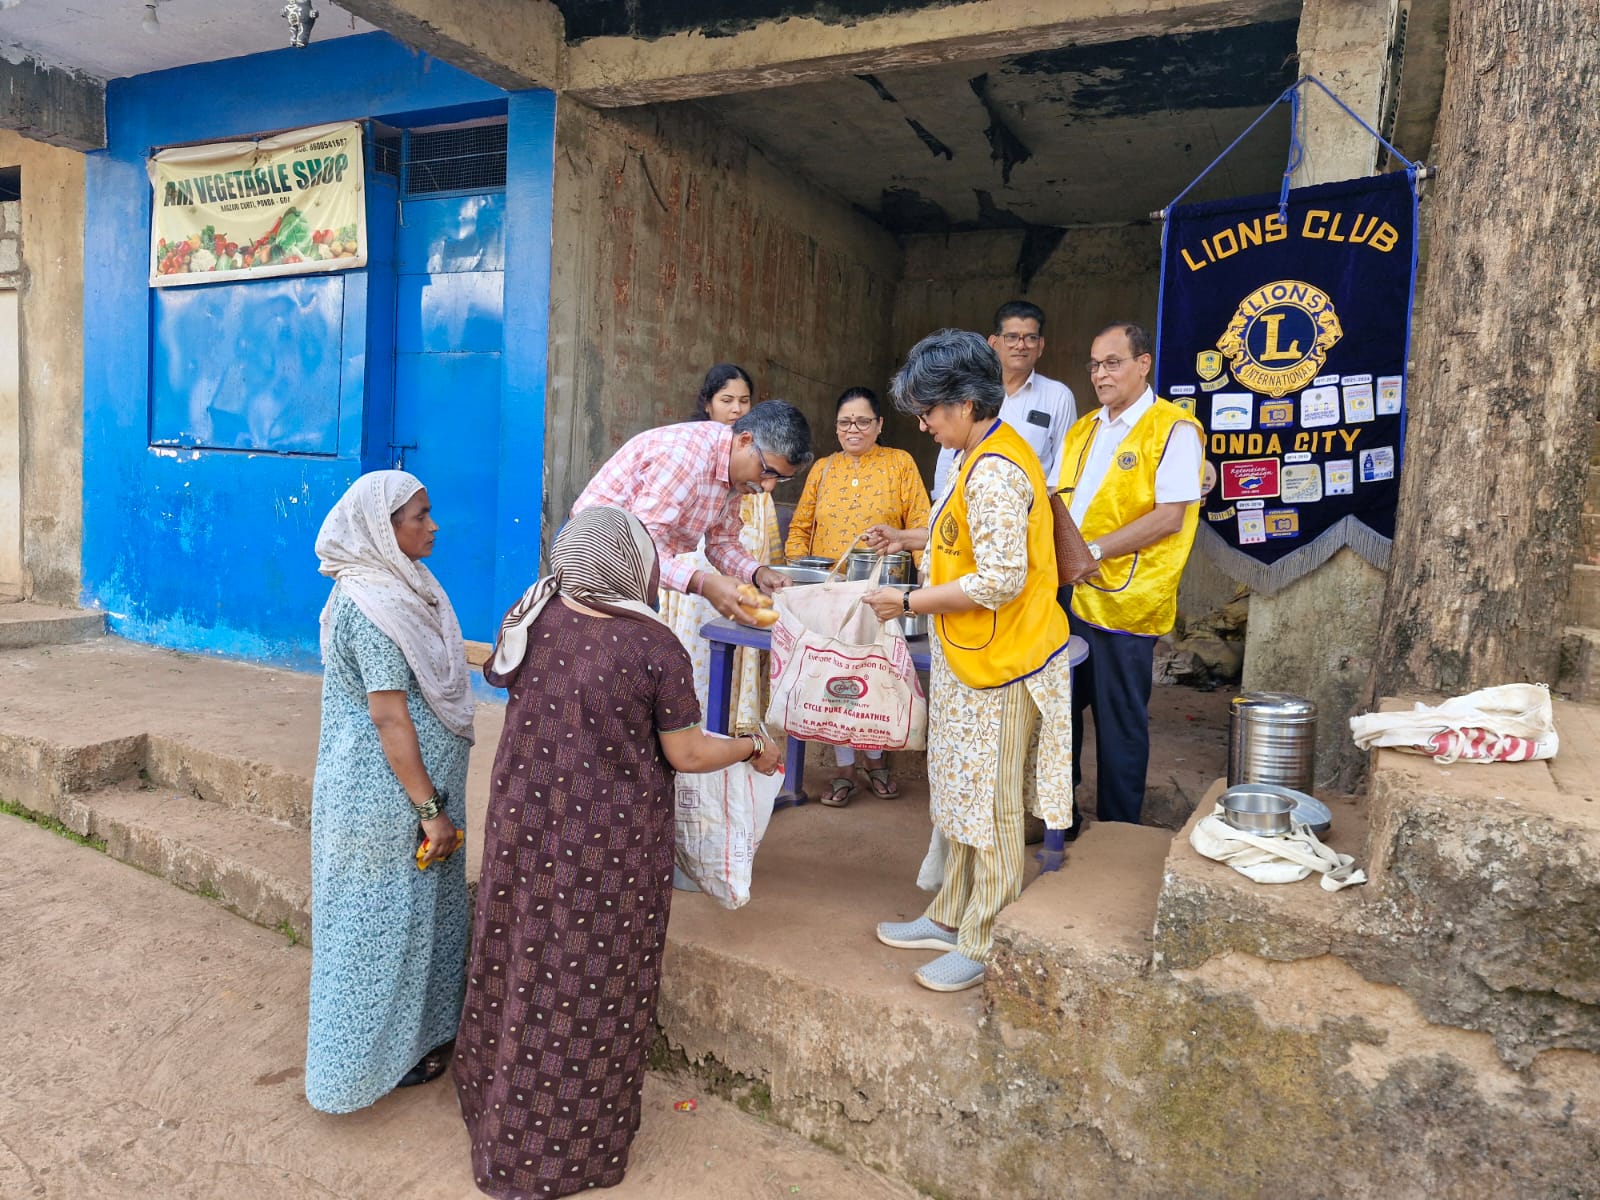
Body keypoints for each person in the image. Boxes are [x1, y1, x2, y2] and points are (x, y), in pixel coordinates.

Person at [452, 506, 782, 1198]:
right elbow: (687, 752)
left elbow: (501, 676)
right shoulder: (653, 647)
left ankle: (494, 1105)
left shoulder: (534, 612)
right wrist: (752, 746)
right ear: (636, 567)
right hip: (609, 854)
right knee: (589, 981)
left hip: (525, 827)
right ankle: (564, 1150)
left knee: (519, 953)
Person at [862, 330, 1074, 994]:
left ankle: (985, 939)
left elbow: (1003, 577)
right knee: (960, 793)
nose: (923, 424)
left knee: (995, 806)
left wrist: (908, 599)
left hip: (1006, 661)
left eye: (929, 410)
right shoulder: (976, 456)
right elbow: (965, 534)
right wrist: (909, 538)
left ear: (964, 401)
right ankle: (951, 914)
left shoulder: (1000, 467)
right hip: (971, 653)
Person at [305, 470, 476, 1113]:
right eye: (420, 516)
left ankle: (420, 1039)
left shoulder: (410, 586)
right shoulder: (374, 604)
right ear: (384, 528)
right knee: (376, 930)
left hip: (412, 800)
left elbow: (441, 658)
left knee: (420, 921)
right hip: (386, 801)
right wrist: (430, 810)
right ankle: (353, 1068)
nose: (433, 526)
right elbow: (389, 716)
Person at [1056, 321, 1203, 826]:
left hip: (1128, 602)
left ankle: (1118, 832)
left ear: (1143, 364)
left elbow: (1170, 516)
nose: (1101, 374)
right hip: (1070, 596)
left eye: (1112, 362)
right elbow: (1061, 506)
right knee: (1062, 714)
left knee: (1120, 723)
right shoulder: (1082, 429)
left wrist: (1091, 550)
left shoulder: (1173, 429)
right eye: (1094, 364)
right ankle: (1061, 815)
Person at [785, 385, 931, 805]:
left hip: (880, 593)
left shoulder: (899, 464)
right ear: (836, 427)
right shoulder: (824, 469)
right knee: (834, 679)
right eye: (845, 422)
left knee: (876, 674)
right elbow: (800, 528)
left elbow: (920, 522)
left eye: (863, 421)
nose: (854, 429)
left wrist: (923, 579)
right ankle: (844, 768)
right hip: (830, 595)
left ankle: (877, 761)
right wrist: (801, 571)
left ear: (880, 425)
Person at [570, 399, 813, 625]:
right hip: (592, 556)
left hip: (637, 567)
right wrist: (704, 584)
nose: (767, 486)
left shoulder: (735, 469)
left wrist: (757, 573)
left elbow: (721, 541)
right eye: (767, 471)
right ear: (744, 441)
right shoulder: (685, 461)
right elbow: (638, 551)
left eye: (779, 479)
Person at [657, 364, 783, 731]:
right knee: (690, 644)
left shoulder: (757, 472)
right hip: (686, 576)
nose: (737, 409)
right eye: (726, 400)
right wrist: (701, 581)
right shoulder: (690, 459)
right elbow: (654, 544)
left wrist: (760, 572)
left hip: (735, 572)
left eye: (744, 401)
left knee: (732, 648)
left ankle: (724, 728)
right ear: (708, 405)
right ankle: (683, 725)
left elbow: (742, 540)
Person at [930, 301, 1076, 501]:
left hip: (1029, 516)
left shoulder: (1058, 396)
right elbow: (949, 455)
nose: (1021, 345)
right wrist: (941, 502)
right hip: (966, 509)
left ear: (1040, 346)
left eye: (1031, 338)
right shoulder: (968, 392)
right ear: (993, 343)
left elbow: (1063, 470)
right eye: (1011, 337)